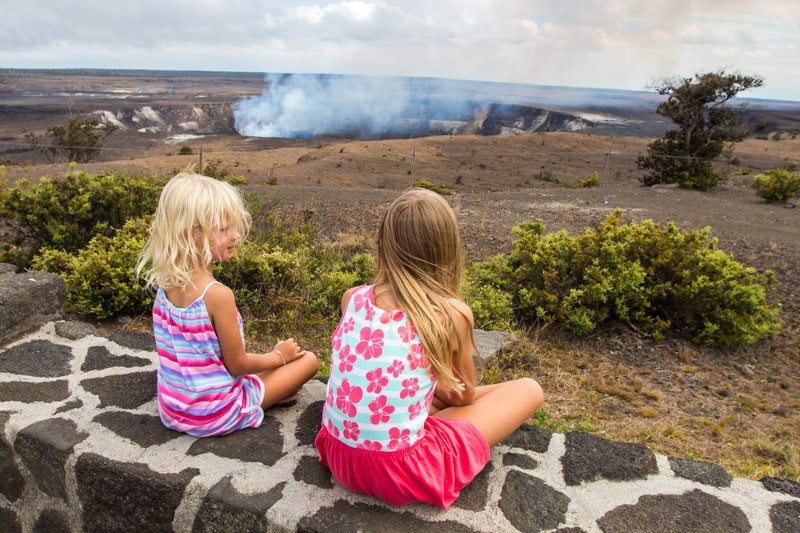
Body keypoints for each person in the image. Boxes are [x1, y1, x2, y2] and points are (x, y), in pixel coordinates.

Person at [315, 188, 543, 508]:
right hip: (399, 472)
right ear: (446, 252)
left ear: (383, 246)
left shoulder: (353, 298)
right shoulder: (450, 314)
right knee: (529, 389)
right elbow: (462, 396)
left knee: (431, 394)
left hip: (341, 458)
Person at [136, 172, 318, 437]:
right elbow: (237, 365)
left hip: (173, 409)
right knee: (309, 361)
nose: (236, 235)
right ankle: (265, 396)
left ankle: (270, 387)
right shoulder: (217, 295)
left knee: (268, 370)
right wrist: (279, 356)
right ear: (191, 234)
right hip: (216, 413)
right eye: (224, 229)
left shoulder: (165, 284)